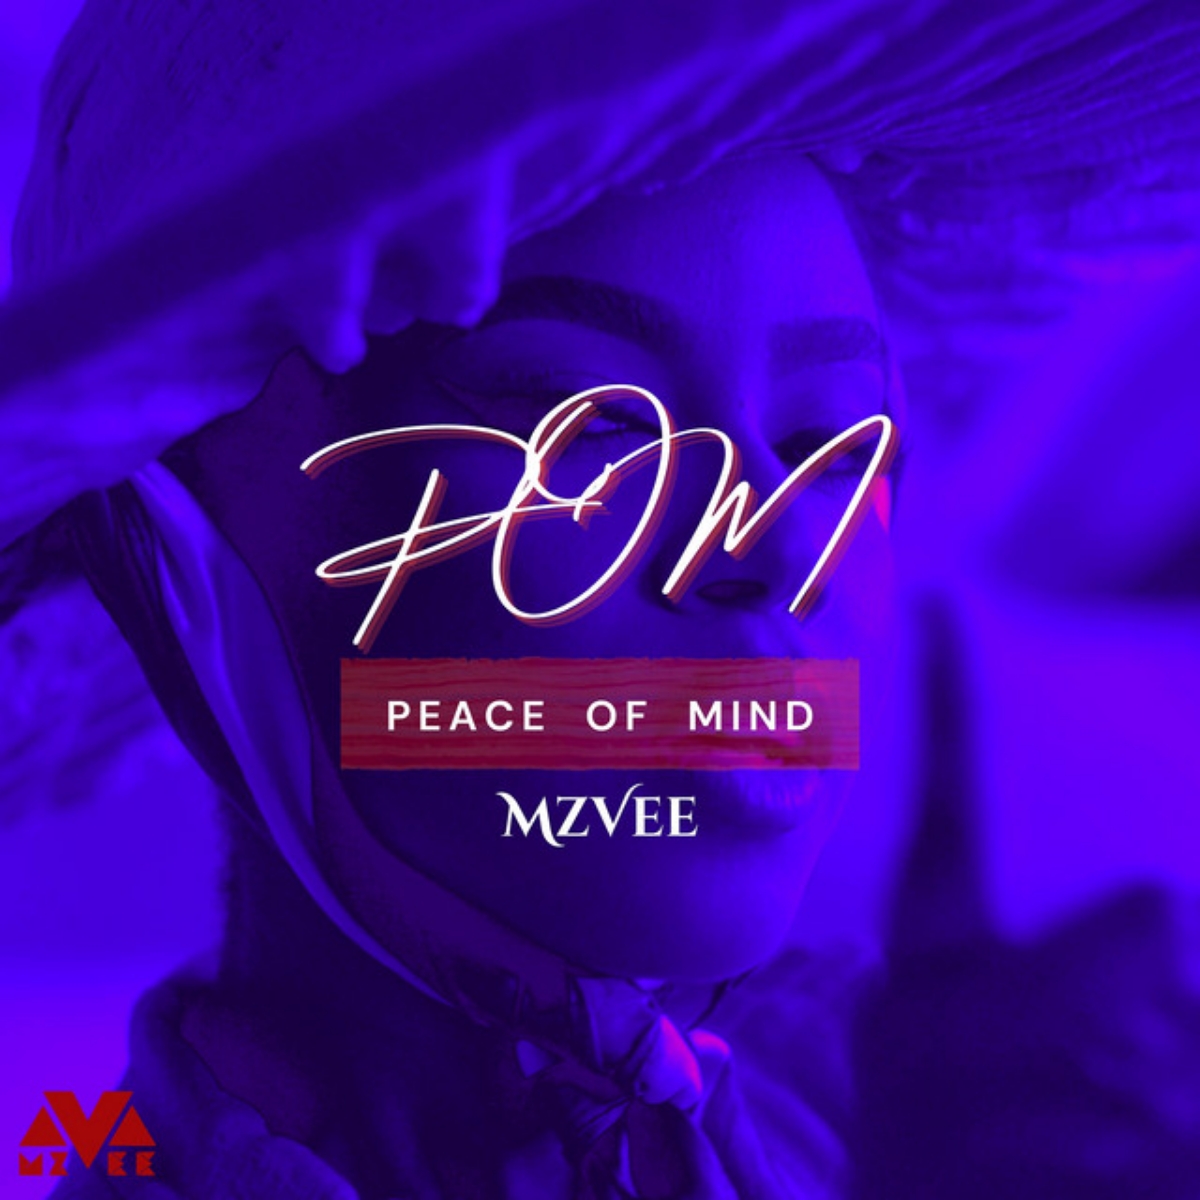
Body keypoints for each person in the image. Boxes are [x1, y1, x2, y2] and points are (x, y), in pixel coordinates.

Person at [4, 2, 1199, 1197]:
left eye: (829, 441)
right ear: (175, 547)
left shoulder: (926, 1085)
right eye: (593, 429)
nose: (776, 545)